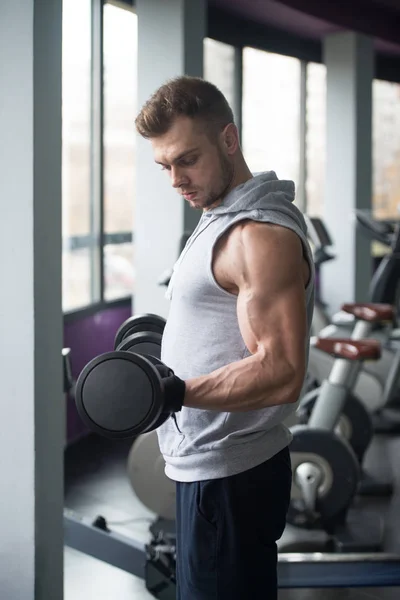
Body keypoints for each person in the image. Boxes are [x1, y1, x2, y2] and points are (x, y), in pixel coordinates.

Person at [135, 76, 315, 600]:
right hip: (212, 469)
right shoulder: (220, 213)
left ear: (229, 140)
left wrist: (175, 393)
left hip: (229, 478)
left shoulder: (258, 234)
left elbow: (281, 371)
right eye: (164, 166)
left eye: (187, 160)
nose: (175, 179)